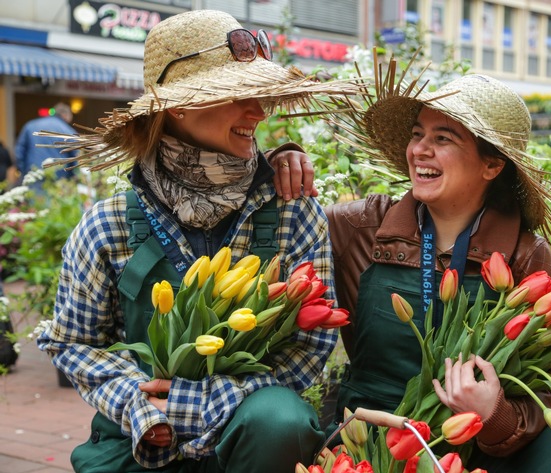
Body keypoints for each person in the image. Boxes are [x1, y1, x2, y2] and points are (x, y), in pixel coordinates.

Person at [36, 10, 356, 473]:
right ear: (179, 107)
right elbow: (74, 343)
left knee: (280, 421)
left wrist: (198, 402)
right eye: (238, 96)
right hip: (139, 434)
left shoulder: (292, 211)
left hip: (248, 432)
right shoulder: (108, 226)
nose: (259, 112)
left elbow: (311, 344)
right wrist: (138, 402)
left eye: (260, 95)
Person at [324, 72, 551, 471]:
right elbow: (283, 216)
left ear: (492, 166)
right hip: (372, 438)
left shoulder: (523, 254)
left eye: (443, 138)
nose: (419, 150)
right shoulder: (361, 227)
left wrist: (494, 412)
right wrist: (283, 159)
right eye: (418, 134)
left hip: (472, 446)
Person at [14, 102, 77, 190]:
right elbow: (76, 157)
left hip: (33, 173)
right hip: (59, 177)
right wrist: (72, 177)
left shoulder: (30, 125)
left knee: (36, 203)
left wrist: (23, 172)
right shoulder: (68, 131)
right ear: (65, 115)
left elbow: (19, 151)